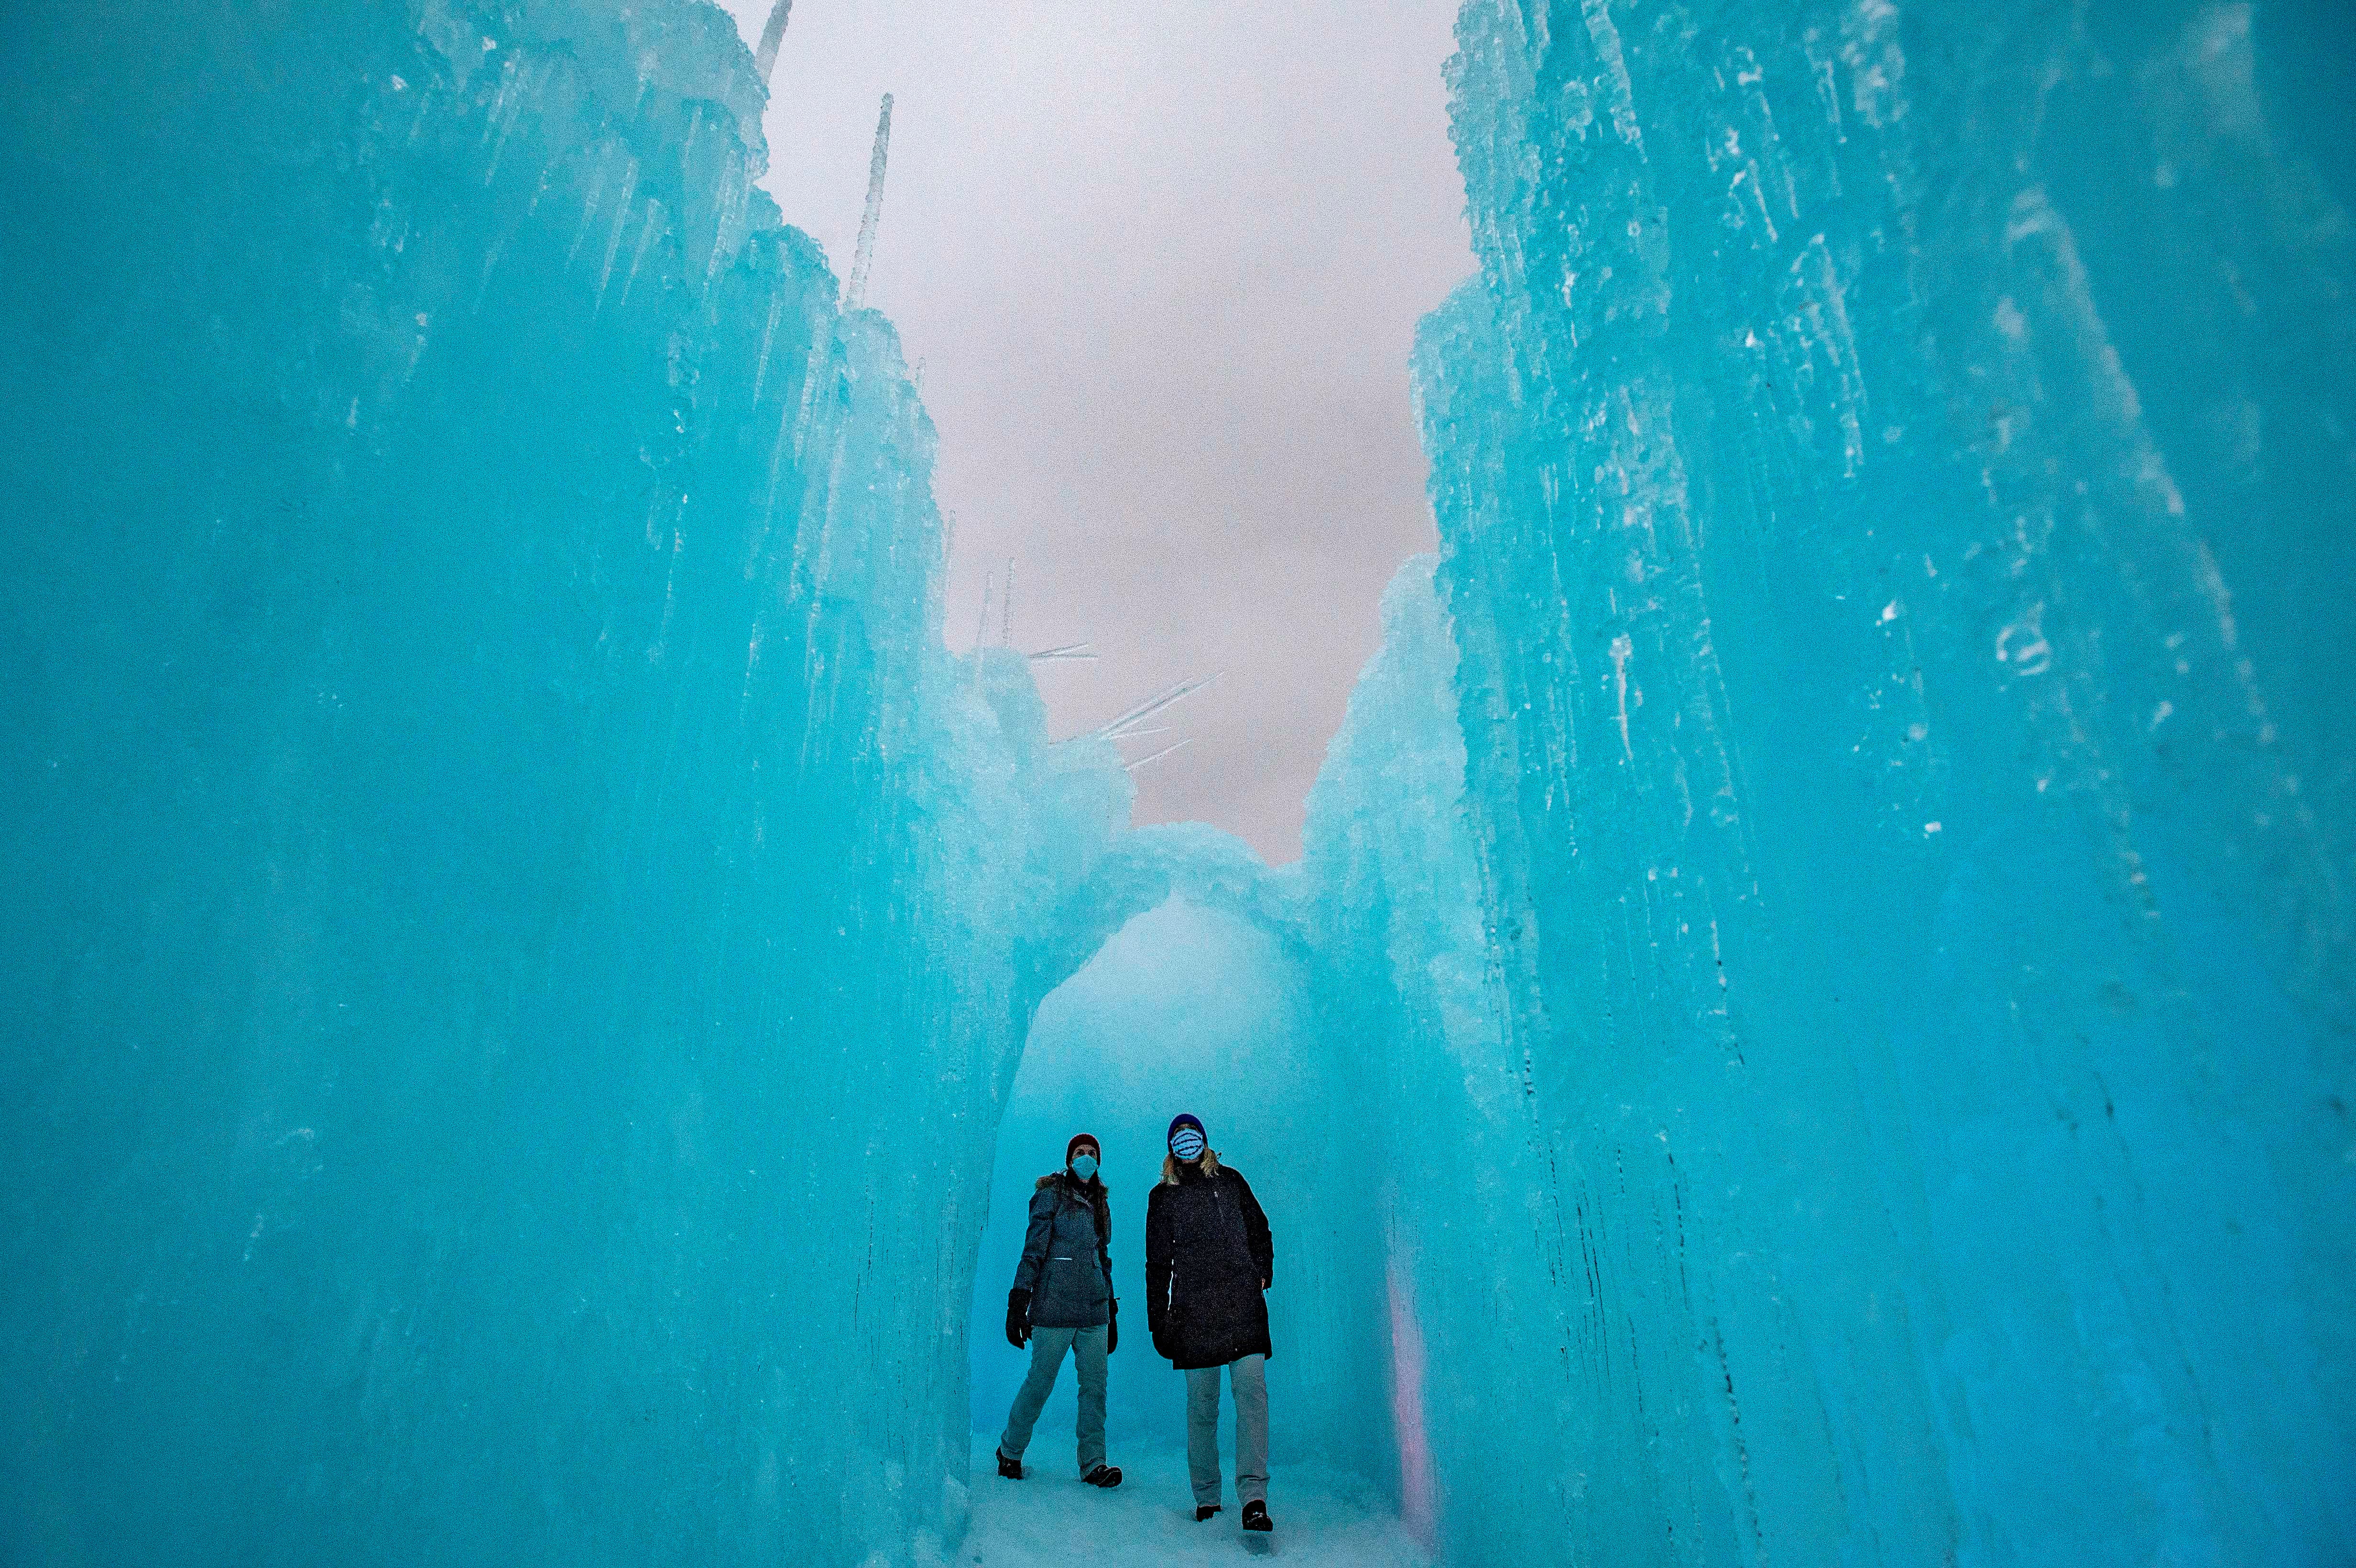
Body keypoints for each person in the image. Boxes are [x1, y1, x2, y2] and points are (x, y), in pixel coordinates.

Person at [1145, 1112, 1275, 1532]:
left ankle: (1254, 1498)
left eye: (1193, 1135)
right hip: (1193, 1314)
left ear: (1205, 1140)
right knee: (1203, 1406)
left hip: (1242, 1307)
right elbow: (1157, 1263)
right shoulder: (1163, 1196)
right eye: (1179, 1137)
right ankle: (1207, 1498)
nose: (1187, 1142)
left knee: (1251, 1396)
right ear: (1171, 1148)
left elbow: (1259, 1229)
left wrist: (1261, 1272)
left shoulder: (1231, 1180)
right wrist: (1159, 1321)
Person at [994, 1132, 1123, 1489]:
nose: (1086, 1157)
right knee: (1040, 1383)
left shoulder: (1100, 1202)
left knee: (1095, 1390)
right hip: (1054, 1309)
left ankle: (1094, 1464)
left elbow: (1103, 1257)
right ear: (1069, 1160)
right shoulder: (1051, 1196)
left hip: (1094, 1312)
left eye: (1092, 1153)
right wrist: (1018, 1302)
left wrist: (1111, 1308)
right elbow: (1033, 1250)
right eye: (1080, 1152)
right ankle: (1010, 1451)